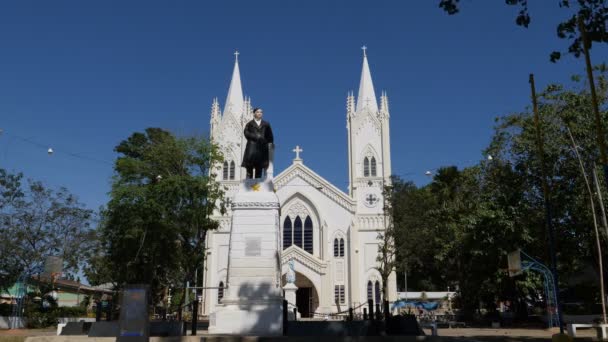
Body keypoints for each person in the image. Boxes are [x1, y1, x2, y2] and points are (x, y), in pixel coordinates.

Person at [241, 107, 274, 179]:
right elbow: (246, 133)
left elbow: (270, 136)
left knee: (259, 166)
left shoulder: (266, 124)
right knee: (249, 165)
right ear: (254, 113)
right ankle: (248, 180)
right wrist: (256, 137)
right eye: (258, 112)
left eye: (261, 112)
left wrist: (269, 143)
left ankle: (257, 182)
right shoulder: (249, 124)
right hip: (252, 146)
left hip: (261, 148)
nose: (260, 113)